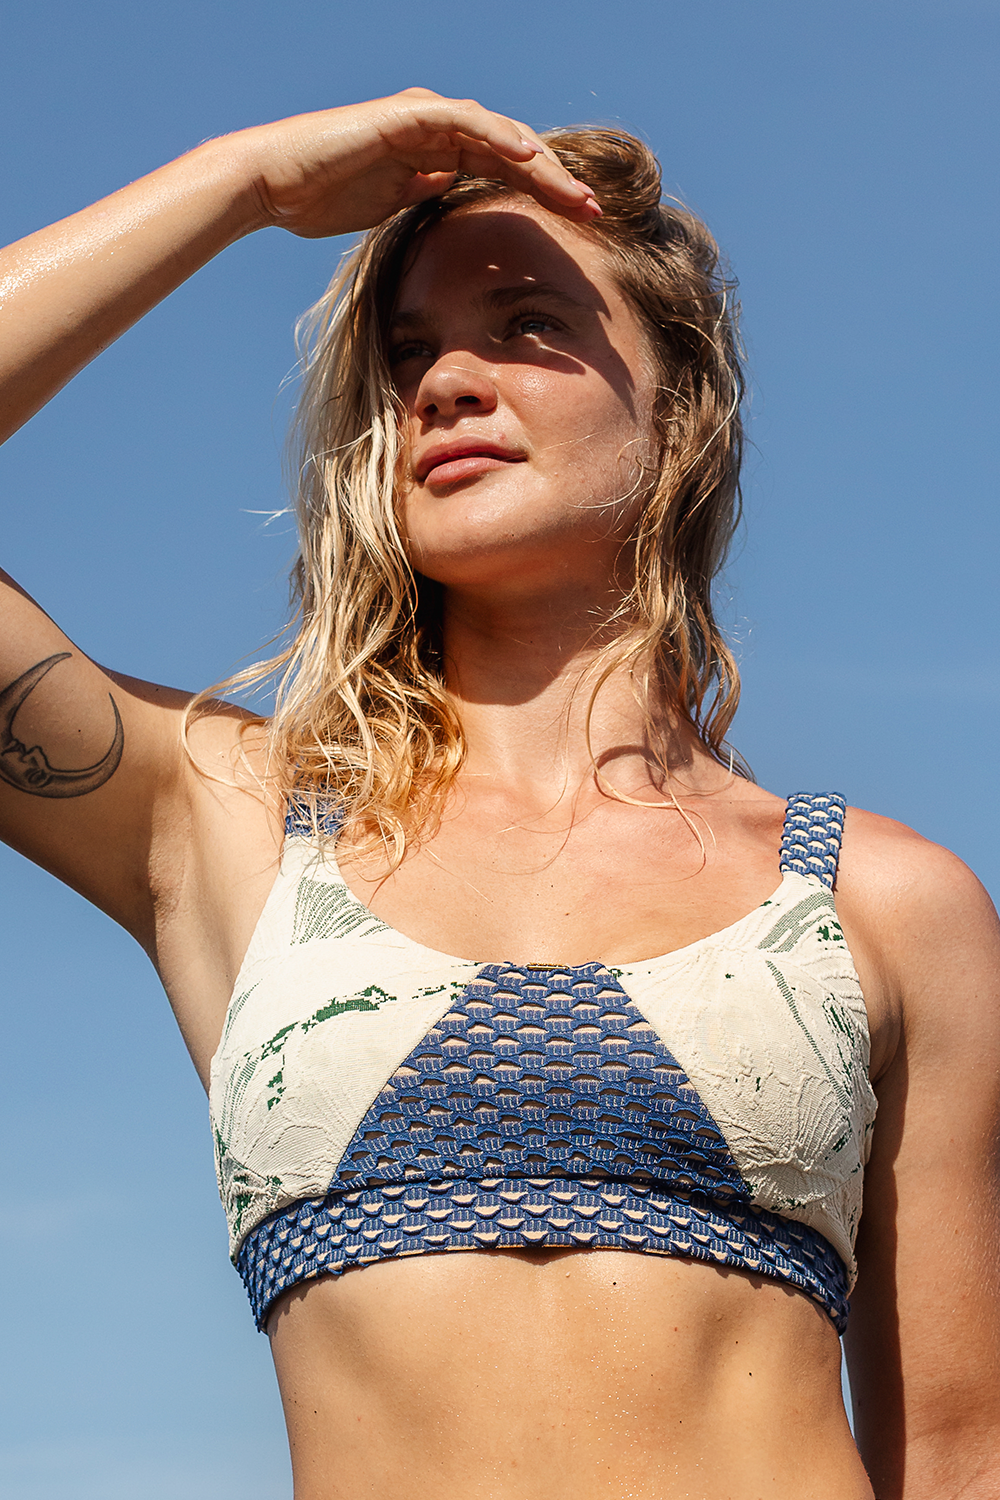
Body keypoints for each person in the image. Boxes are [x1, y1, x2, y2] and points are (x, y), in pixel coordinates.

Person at [1, 88, 998, 1500]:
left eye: (528, 325)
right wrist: (245, 185)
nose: (447, 384)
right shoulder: (235, 828)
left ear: (683, 407)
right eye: (410, 353)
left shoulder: (880, 902)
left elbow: (957, 1455)